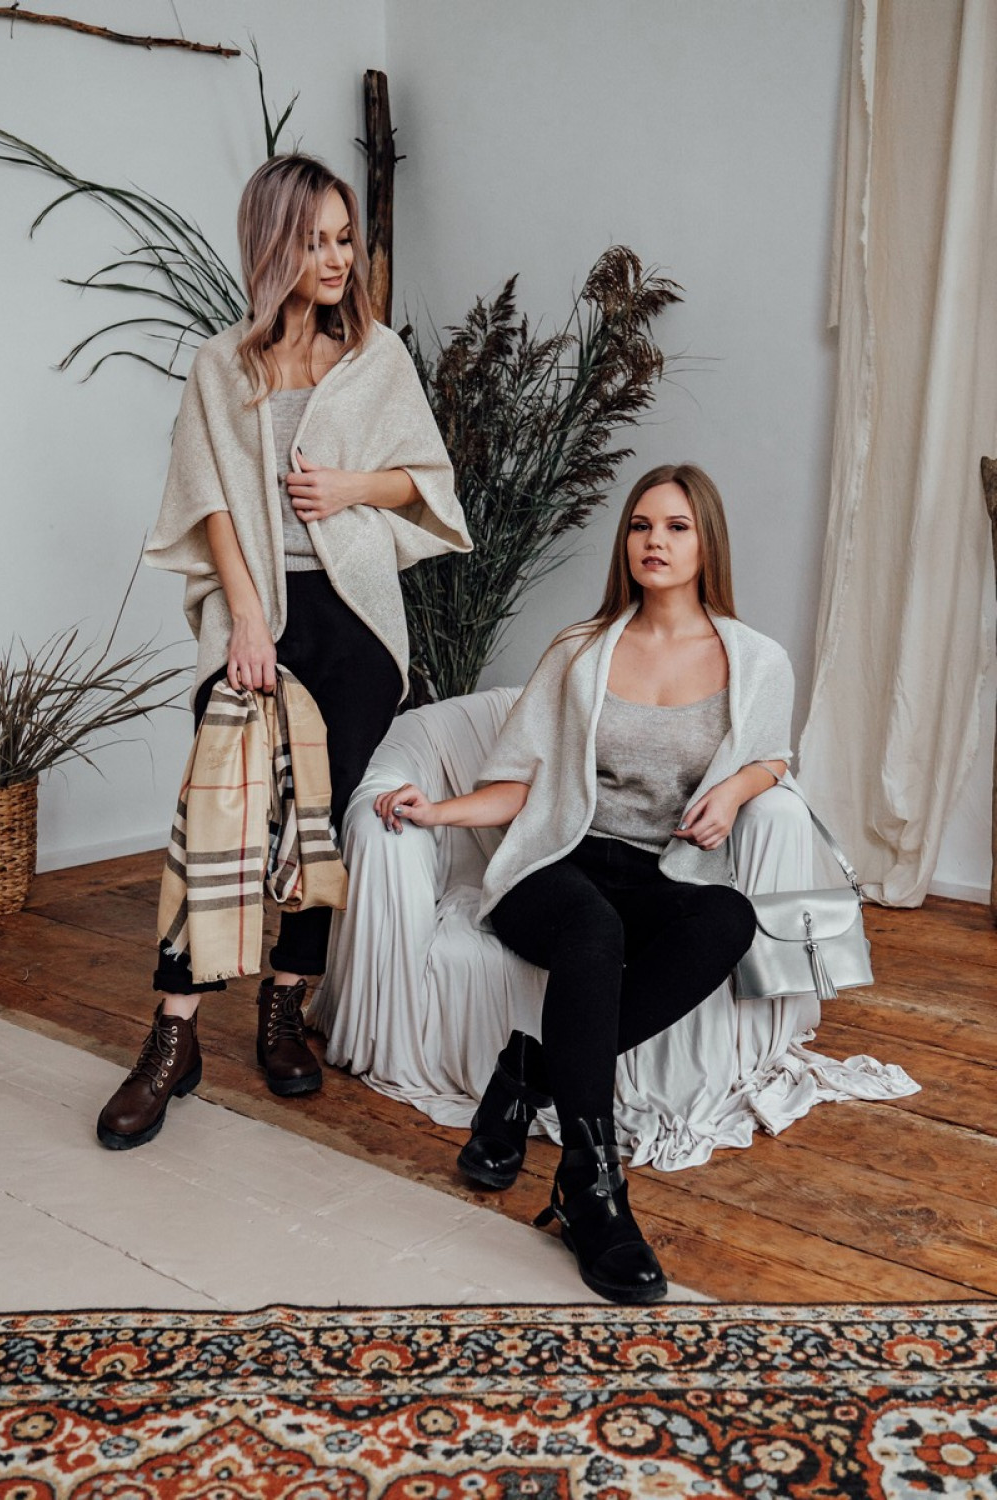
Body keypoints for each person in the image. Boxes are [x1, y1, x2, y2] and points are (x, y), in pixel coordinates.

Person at [97, 153, 471, 1151]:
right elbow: (209, 500)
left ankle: (284, 1003)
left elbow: (425, 482)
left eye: (345, 239)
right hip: (259, 611)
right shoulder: (221, 365)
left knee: (325, 827)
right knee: (220, 808)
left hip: (355, 620)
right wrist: (247, 619)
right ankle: (173, 1033)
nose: (339, 258)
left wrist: (352, 487)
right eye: (316, 241)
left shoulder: (376, 358)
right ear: (274, 246)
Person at [373, 463, 794, 1304]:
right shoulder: (579, 651)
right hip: (553, 866)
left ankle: (527, 1072)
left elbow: (774, 757)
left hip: (656, 872)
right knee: (592, 930)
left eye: (675, 526)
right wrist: (437, 812)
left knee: (727, 918)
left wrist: (736, 790)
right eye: (641, 526)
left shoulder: (756, 661)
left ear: (707, 542)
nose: (654, 542)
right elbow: (519, 782)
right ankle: (591, 1186)